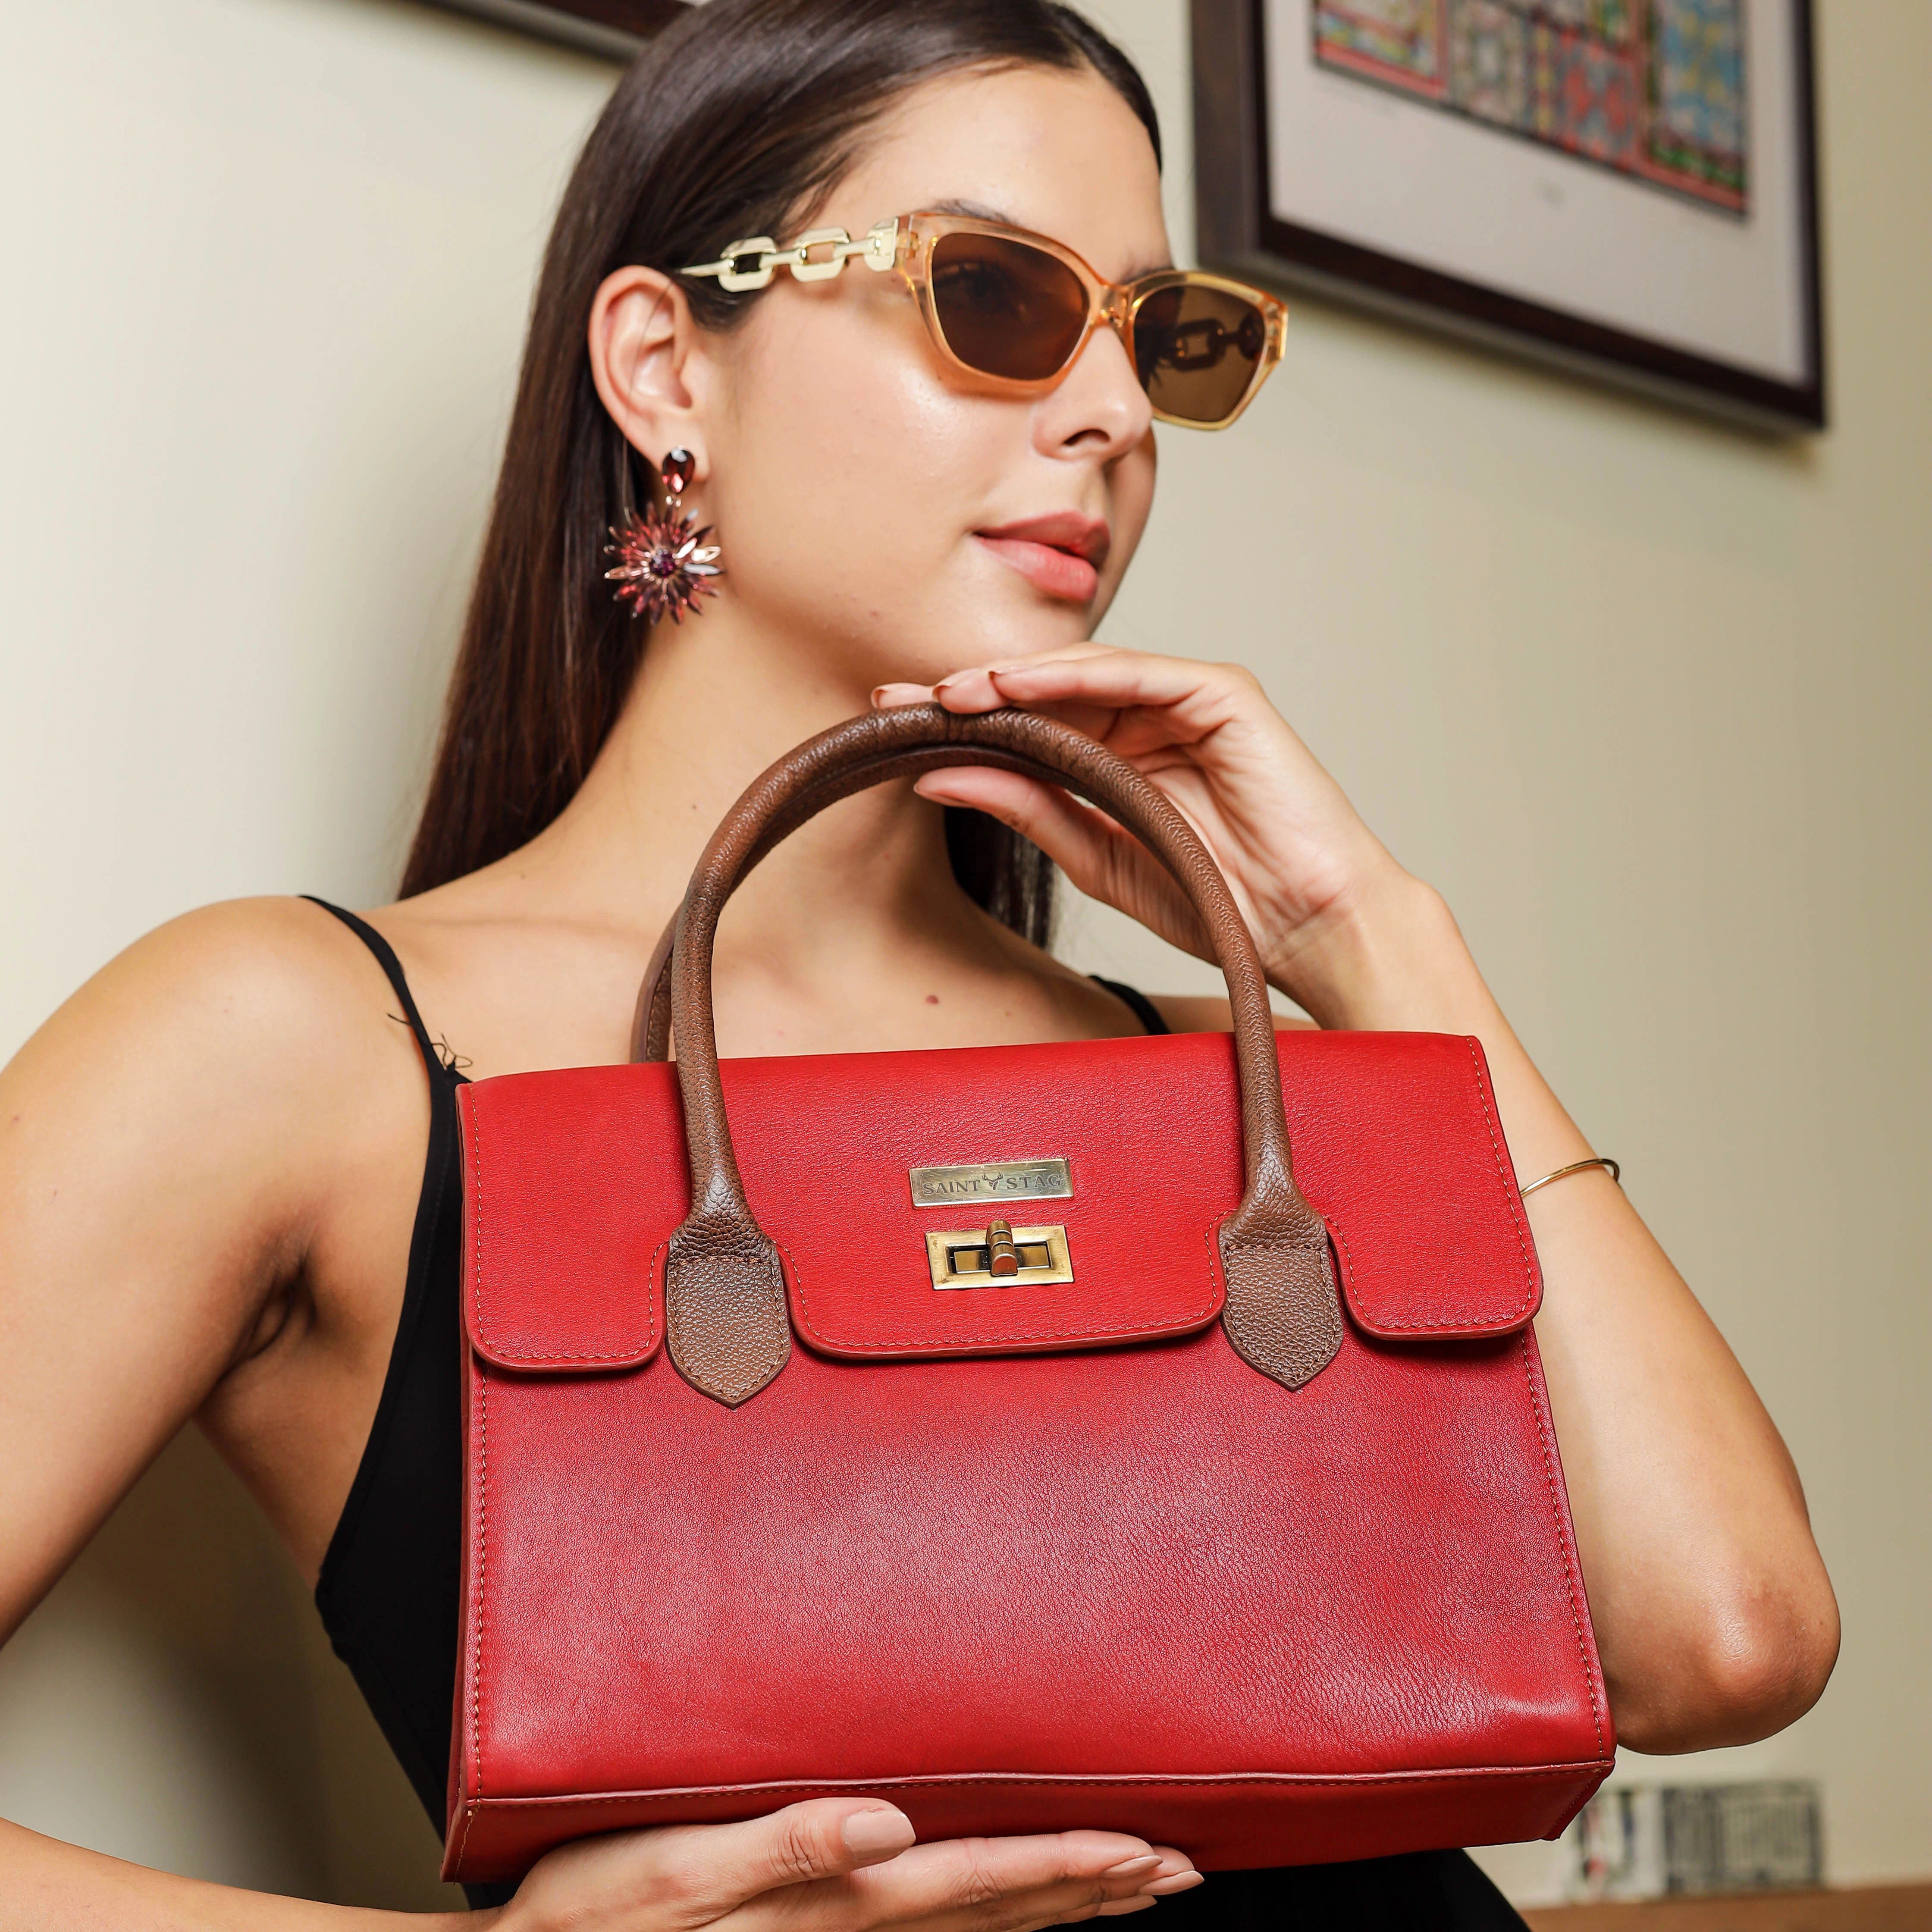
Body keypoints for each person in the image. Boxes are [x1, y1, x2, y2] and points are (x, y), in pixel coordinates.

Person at [0, 1, 1839, 1926]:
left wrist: (1370, 943)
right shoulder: (305, 1052)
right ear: (665, 366)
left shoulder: (1231, 1085)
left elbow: (1731, 1641)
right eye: (998, 297)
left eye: (1160, 335)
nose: (1114, 413)